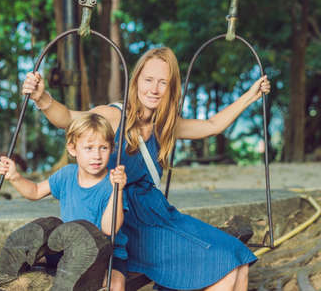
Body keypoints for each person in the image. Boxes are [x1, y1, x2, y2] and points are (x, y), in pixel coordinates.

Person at [22, 47, 271, 290]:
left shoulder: (164, 125)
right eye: (148, 79)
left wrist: (252, 94)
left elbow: (212, 125)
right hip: (126, 217)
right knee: (226, 268)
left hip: (158, 212)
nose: (154, 89)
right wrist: (42, 98)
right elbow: (67, 118)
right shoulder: (113, 116)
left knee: (238, 257)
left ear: (171, 88)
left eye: (162, 82)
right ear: (136, 80)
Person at [0, 113, 128, 291]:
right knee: (36, 257)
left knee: (117, 283)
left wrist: (117, 191)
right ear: (73, 149)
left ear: (112, 149)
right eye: (88, 148)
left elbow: (108, 228)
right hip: (70, 249)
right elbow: (35, 192)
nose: (96, 155)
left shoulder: (113, 183)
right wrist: (14, 177)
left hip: (106, 254)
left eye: (103, 148)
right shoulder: (66, 175)